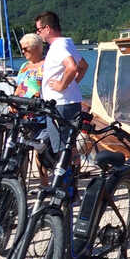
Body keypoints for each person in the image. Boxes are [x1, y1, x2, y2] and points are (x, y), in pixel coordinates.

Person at [35, 12, 88, 155]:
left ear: (47, 28)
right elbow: (84, 66)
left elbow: (73, 67)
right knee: (70, 147)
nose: (38, 34)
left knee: (61, 149)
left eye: (39, 30)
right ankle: (72, 175)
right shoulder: (67, 44)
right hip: (70, 102)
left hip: (60, 105)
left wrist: (62, 85)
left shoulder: (58, 46)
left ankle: (65, 176)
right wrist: (72, 83)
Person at [14, 33, 48, 185]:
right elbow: (19, 87)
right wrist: (12, 103)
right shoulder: (24, 66)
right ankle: (19, 185)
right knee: (21, 149)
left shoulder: (46, 65)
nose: (23, 51)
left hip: (39, 113)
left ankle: (44, 183)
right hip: (21, 112)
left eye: (25, 48)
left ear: (35, 48)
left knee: (39, 150)